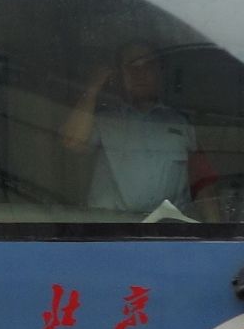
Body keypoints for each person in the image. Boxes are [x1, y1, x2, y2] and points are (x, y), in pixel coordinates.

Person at [60, 40, 203, 216]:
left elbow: (204, 183)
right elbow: (72, 142)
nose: (139, 73)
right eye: (131, 67)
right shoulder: (102, 120)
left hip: (170, 235)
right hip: (113, 233)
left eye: (148, 66)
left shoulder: (181, 123)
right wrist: (93, 88)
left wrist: (214, 232)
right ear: (119, 75)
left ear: (159, 72)